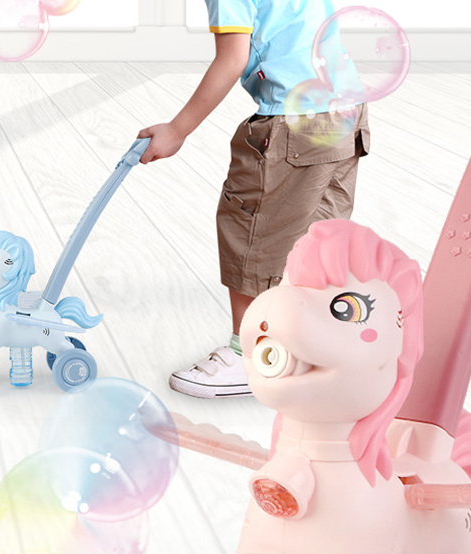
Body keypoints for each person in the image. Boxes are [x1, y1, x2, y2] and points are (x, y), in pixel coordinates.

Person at [138, 0, 370, 398]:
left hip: (295, 122)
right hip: (347, 109)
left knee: (249, 229)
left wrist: (177, 130)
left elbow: (232, 60)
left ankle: (250, 353)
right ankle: (311, 346)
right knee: (318, 236)